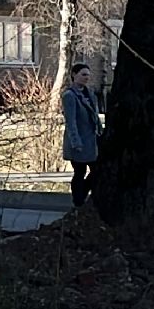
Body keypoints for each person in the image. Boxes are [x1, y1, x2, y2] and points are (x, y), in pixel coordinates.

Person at [62, 63, 101, 207]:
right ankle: (78, 201)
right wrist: (75, 142)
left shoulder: (89, 93)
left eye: (88, 75)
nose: (87, 78)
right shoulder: (69, 96)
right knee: (80, 171)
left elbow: (95, 116)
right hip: (79, 141)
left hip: (91, 141)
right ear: (74, 75)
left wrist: (100, 132)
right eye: (83, 74)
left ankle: (82, 196)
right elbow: (70, 121)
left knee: (97, 169)